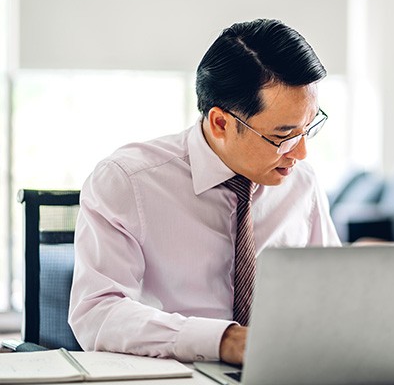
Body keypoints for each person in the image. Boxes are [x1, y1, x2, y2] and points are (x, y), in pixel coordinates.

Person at [68, 19, 341, 365]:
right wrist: (223, 341)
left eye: (308, 127)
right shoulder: (127, 181)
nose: (300, 153)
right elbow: (97, 314)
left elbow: (334, 297)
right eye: (283, 136)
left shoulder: (302, 183)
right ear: (221, 123)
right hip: (173, 372)